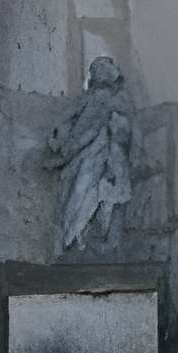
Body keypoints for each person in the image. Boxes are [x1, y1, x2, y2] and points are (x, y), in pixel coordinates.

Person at [47, 56, 133, 253]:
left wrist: (67, 151)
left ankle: (80, 242)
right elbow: (79, 126)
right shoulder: (95, 99)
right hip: (92, 159)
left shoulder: (108, 101)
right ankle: (76, 241)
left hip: (104, 161)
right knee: (82, 195)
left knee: (88, 197)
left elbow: (91, 130)